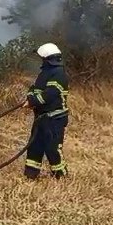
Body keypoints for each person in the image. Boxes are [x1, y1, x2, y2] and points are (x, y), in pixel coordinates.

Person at [21, 43, 70, 179]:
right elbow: (34, 89)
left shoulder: (59, 75)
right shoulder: (44, 74)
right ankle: (30, 175)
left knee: (52, 149)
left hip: (54, 119)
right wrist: (30, 97)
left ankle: (61, 176)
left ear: (47, 59)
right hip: (41, 118)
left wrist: (32, 101)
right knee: (35, 146)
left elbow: (49, 95)